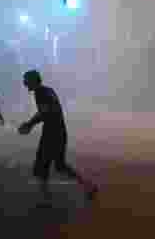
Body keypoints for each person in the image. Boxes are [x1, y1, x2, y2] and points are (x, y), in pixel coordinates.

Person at [17, 70, 98, 207]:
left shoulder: (40, 93)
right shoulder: (48, 90)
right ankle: (88, 185)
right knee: (59, 166)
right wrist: (30, 123)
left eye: (26, 80)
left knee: (42, 165)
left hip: (52, 133)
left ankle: (45, 200)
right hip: (59, 131)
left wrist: (29, 124)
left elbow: (44, 112)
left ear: (32, 81)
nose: (25, 84)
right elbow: (46, 110)